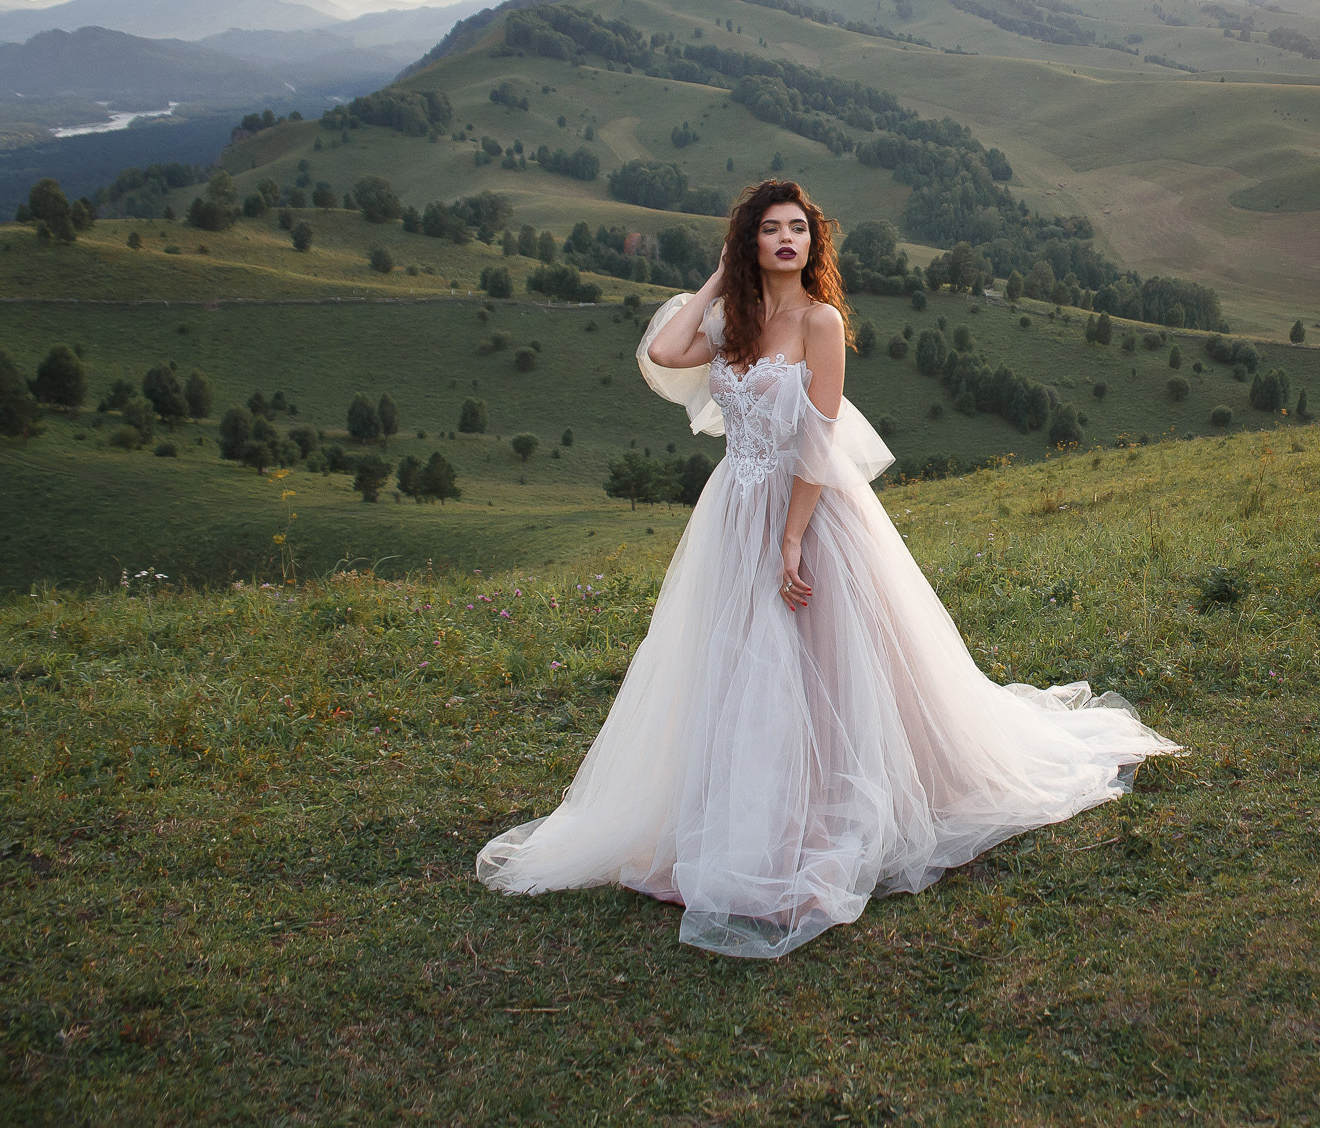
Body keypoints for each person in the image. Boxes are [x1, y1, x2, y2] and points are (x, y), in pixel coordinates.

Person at [476, 179, 1180, 957]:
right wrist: (716, 276)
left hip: (808, 511)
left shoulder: (821, 320)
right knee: (738, 661)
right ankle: (743, 818)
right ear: (749, 243)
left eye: (798, 229)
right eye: (770, 230)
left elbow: (817, 434)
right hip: (733, 513)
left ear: (815, 244)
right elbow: (663, 352)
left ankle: (816, 824)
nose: (786, 240)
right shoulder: (732, 320)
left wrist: (791, 536)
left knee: (820, 662)